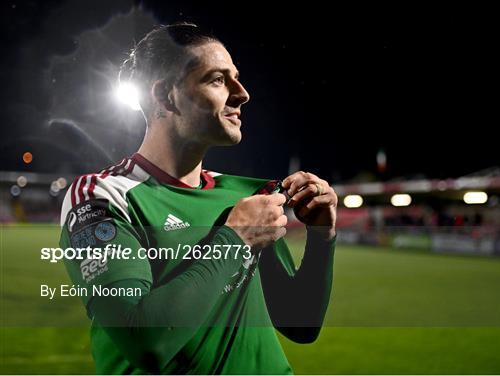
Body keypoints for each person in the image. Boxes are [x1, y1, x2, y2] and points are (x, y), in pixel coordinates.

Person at [59, 22, 337, 374]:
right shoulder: (102, 198)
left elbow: (300, 324)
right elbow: (145, 342)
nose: (242, 93)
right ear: (164, 96)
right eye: (218, 80)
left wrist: (322, 236)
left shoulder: (250, 195)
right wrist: (235, 239)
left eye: (236, 77)